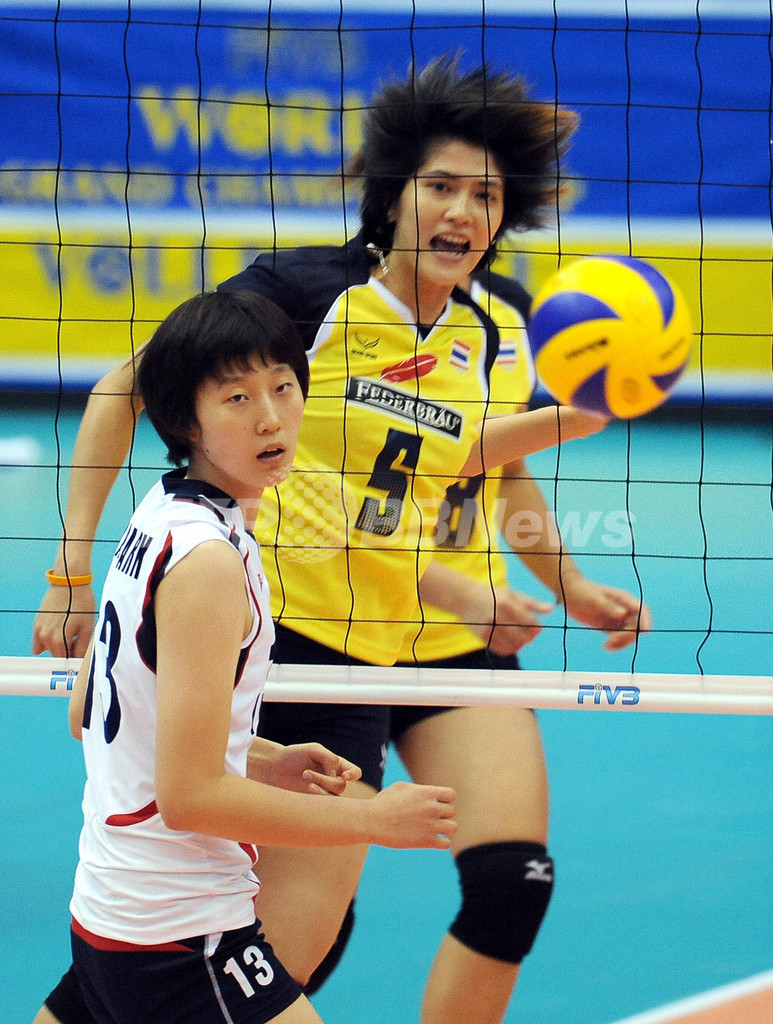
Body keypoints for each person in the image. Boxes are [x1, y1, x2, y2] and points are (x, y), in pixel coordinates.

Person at [32, 58, 647, 1024]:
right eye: (440, 186)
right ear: (392, 194)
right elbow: (126, 387)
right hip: (295, 643)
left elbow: (470, 462)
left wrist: (567, 572)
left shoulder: (498, 325)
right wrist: (71, 571)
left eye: (485, 196)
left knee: (498, 886)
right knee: (255, 963)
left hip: (418, 636)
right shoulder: (307, 294)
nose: (462, 212)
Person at [34, 288, 459, 1024]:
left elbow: (95, 710)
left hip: (116, 917)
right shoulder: (208, 562)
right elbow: (190, 797)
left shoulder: (160, 516)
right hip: (181, 938)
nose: (270, 416)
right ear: (184, 421)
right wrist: (376, 821)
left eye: (283, 387)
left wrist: (266, 759)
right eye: (236, 397)